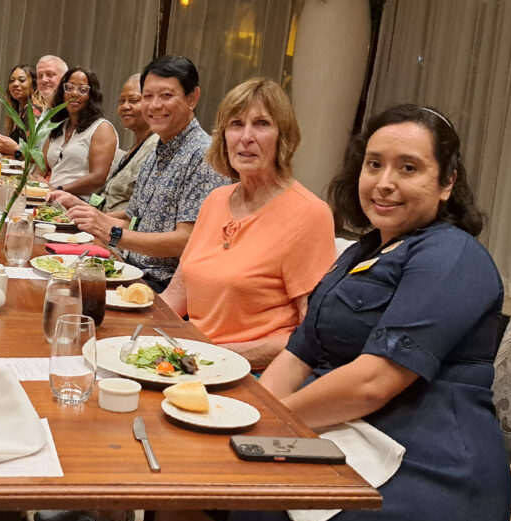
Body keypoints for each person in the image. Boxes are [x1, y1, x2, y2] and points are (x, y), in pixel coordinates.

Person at [227, 104, 511, 521]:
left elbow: (373, 383)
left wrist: (265, 427)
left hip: (425, 463)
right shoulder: (359, 254)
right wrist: (246, 422)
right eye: (374, 164)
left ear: (447, 183)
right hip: (347, 431)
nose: (384, 182)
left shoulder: (454, 255)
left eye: (409, 168)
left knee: (249, 504)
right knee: (208, 480)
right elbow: (299, 353)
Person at [161, 78, 334, 368]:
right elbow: (177, 295)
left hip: (250, 373)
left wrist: (219, 356)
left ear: (284, 137)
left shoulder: (309, 214)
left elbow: (310, 335)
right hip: (190, 361)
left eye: (262, 124)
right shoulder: (216, 200)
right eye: (236, 124)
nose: (246, 137)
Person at [48, 55, 229, 291]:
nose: (154, 106)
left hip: (164, 287)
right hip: (130, 269)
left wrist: (111, 232)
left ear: (192, 98)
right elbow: (133, 218)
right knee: (53, 279)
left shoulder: (203, 155)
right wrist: (84, 212)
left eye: (166, 96)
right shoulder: (156, 151)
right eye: (148, 96)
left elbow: (187, 240)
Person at [41, 67, 118, 197]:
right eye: (69, 88)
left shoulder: (102, 128)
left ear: (91, 96)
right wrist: (41, 185)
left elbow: (98, 179)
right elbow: (39, 170)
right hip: (50, 197)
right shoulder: (60, 126)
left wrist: (59, 190)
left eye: (82, 90)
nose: (74, 94)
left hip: (79, 202)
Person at [88, 74, 158, 212]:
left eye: (134, 100)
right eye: (121, 101)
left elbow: (139, 212)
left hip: (118, 229)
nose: (125, 106)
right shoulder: (137, 144)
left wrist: (96, 217)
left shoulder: (155, 146)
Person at [0, 64, 43, 156]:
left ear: (34, 84)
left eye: (22, 80)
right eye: (12, 81)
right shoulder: (17, 110)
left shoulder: (32, 110)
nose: (15, 84)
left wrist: (15, 150)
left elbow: (35, 154)